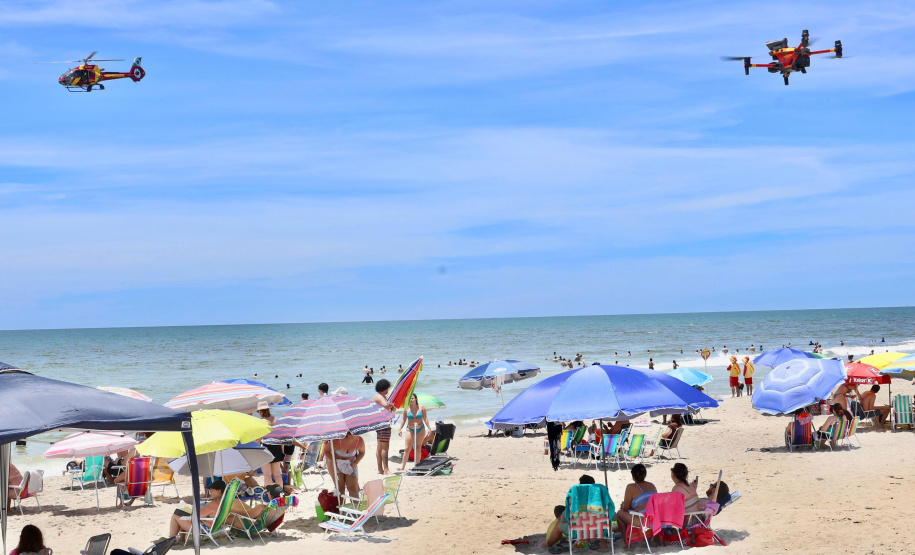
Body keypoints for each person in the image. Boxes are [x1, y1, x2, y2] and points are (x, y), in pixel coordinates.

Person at [615, 463, 657, 531]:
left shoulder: (631, 487)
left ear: (633, 476)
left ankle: (625, 537)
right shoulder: (652, 485)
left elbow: (625, 508)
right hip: (655, 518)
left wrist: (623, 505)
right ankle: (615, 529)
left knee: (620, 513)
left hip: (644, 520)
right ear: (645, 474)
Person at [323, 432, 365, 498]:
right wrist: (335, 462)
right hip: (336, 463)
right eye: (355, 433)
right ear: (348, 434)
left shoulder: (359, 440)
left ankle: (355, 504)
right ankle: (341, 504)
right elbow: (326, 451)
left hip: (351, 463)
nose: (358, 435)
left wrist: (355, 463)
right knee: (340, 489)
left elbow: (362, 453)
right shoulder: (336, 441)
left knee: (353, 487)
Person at [397, 393, 431, 471]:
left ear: (416, 399)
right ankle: (403, 467)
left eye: (412, 398)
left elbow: (425, 418)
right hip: (410, 429)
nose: (411, 400)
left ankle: (417, 465)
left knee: (418, 447)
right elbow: (404, 420)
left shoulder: (421, 407)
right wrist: (400, 429)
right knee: (407, 448)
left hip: (420, 429)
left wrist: (429, 429)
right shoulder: (406, 408)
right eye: (409, 399)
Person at [255, 402, 283, 487]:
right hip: (276, 447)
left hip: (266, 448)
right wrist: (282, 451)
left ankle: (269, 493)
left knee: (267, 475)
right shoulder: (276, 420)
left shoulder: (261, 422)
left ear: (260, 411)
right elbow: (280, 437)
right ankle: (279, 492)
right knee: (277, 474)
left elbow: (259, 438)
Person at [372, 379, 396, 474]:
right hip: (383, 423)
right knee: (385, 447)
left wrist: (391, 404)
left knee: (380, 446)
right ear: (385, 388)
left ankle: (380, 469)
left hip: (380, 423)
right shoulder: (379, 396)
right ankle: (386, 469)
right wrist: (391, 404)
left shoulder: (381, 397)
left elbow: (393, 408)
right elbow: (387, 406)